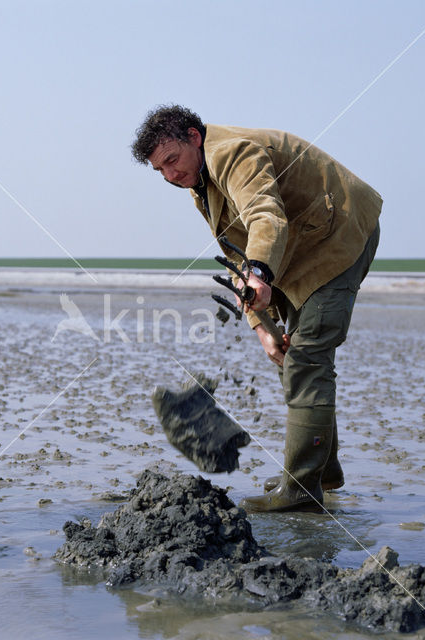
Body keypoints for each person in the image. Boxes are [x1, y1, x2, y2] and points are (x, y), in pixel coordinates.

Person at [131, 105, 382, 512]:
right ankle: (322, 471)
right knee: (289, 356)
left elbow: (265, 215)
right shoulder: (200, 183)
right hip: (300, 247)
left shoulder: (231, 153)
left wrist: (261, 274)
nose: (170, 176)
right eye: (160, 171)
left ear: (194, 137)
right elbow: (234, 254)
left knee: (307, 359)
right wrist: (262, 327)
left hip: (339, 234)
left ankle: (301, 490)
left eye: (172, 161)